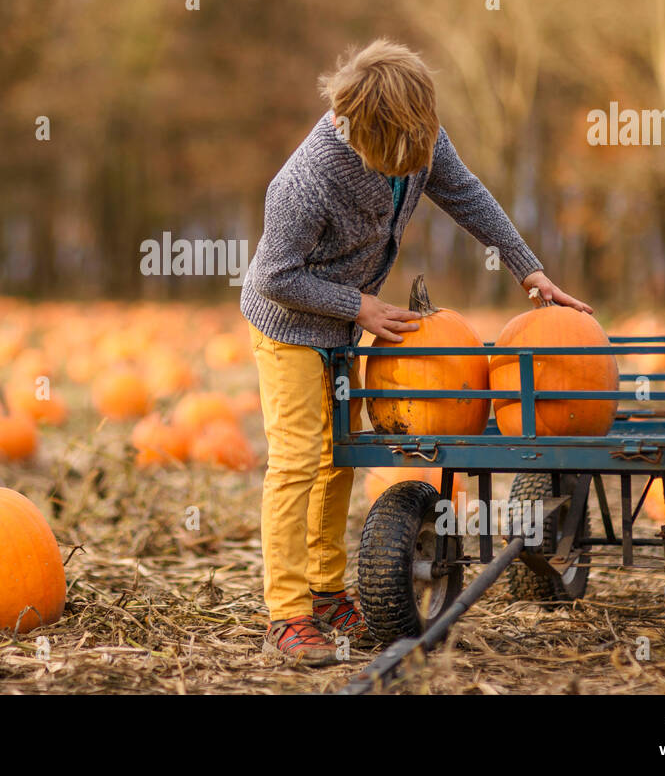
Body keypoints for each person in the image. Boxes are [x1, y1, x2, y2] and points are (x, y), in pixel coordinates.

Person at [240, 38, 592, 666]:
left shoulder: (418, 136)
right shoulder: (306, 182)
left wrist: (529, 271)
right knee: (298, 459)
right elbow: (272, 277)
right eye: (402, 153)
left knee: (337, 460)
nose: (417, 161)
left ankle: (326, 592)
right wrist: (361, 307)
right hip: (290, 326)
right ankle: (287, 615)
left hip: (343, 331)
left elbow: (468, 195)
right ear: (363, 130)